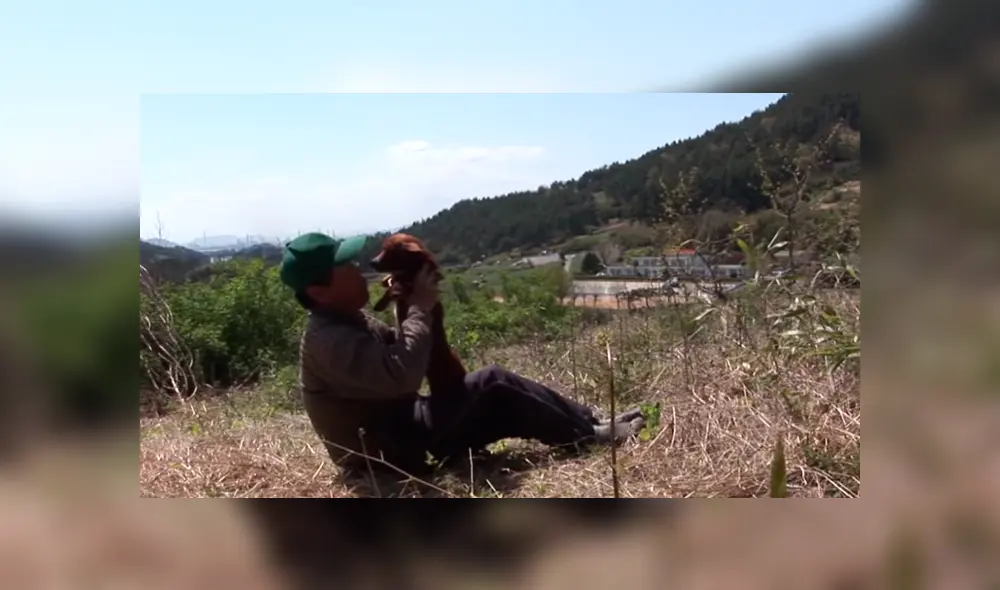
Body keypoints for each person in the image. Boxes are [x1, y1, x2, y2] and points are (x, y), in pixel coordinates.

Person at [279, 232, 647, 476]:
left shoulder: (346, 321)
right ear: (320, 291)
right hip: (390, 456)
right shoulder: (327, 340)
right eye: (346, 270)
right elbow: (403, 375)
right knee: (493, 383)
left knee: (496, 396)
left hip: (403, 430)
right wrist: (420, 308)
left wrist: (408, 308)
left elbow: (404, 349)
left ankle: (587, 423)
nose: (361, 274)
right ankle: (590, 436)